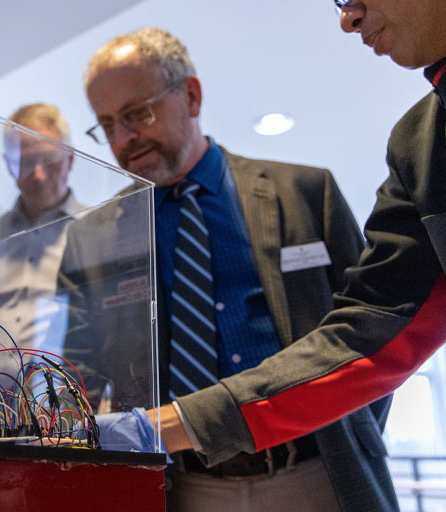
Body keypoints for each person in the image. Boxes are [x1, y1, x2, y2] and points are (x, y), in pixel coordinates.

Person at [68, 27, 397, 511]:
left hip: (320, 473)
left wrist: (347, 432)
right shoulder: (93, 236)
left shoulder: (306, 192)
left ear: (192, 96)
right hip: (184, 490)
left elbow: (373, 329)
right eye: (108, 124)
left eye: (138, 114)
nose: (124, 139)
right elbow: (82, 368)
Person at [152, 0, 446, 478]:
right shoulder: (421, 144)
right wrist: (165, 425)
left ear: (190, 97)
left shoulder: (308, 187)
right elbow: (372, 330)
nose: (348, 19)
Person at [0, 104, 82, 388]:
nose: (38, 174)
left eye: (50, 159)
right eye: (25, 162)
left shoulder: (93, 230)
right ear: (8, 164)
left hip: (59, 405)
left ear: (70, 159)